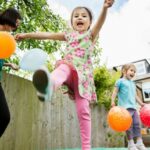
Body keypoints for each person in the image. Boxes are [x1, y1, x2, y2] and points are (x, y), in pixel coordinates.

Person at [15, 0, 114, 149]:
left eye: (84, 16)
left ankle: (86, 147)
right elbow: (47, 35)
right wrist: (27, 35)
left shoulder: (91, 35)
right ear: (72, 21)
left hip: (83, 78)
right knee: (61, 70)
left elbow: (100, 23)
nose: (79, 18)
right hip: (68, 67)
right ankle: (48, 86)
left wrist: (104, 8)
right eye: (76, 16)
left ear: (90, 22)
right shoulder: (69, 35)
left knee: (83, 111)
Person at [111, 64, 147, 150]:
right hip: (124, 109)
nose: (133, 73)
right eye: (131, 70)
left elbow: (135, 96)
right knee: (128, 126)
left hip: (134, 108)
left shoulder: (133, 83)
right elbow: (115, 92)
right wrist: (112, 101)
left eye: (134, 72)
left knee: (137, 124)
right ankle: (131, 143)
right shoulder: (120, 81)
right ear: (124, 71)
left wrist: (141, 103)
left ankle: (139, 142)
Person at [0, 8, 21, 137]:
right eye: (17, 21)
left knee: (3, 117)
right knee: (3, 117)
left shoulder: (5, 38)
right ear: (10, 18)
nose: (18, 25)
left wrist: (9, 64)